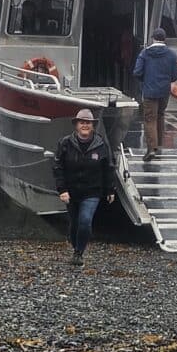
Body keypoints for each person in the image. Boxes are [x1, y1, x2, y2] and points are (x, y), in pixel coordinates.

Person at [53, 108, 115, 266]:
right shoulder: (65, 143)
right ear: (76, 125)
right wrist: (62, 190)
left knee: (85, 221)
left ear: (93, 125)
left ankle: (79, 252)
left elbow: (108, 167)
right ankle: (75, 246)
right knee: (74, 222)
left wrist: (110, 190)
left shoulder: (101, 144)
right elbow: (58, 167)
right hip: (71, 191)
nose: (85, 125)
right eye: (82, 122)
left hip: (92, 191)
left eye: (88, 123)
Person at [133, 27, 177, 161]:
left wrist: (145, 80)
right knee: (160, 115)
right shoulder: (171, 54)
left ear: (153, 38)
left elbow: (137, 72)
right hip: (164, 91)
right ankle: (159, 145)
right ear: (164, 39)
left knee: (149, 119)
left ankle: (151, 149)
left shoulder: (145, 53)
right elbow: (175, 76)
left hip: (149, 91)